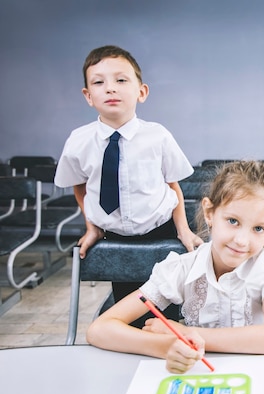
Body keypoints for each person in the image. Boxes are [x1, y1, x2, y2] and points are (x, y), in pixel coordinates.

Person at [86, 160, 264, 373]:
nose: (241, 240)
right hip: (200, 376)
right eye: (232, 221)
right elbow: (99, 330)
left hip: (260, 377)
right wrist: (166, 346)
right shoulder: (180, 268)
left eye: (258, 228)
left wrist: (186, 332)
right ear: (209, 212)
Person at [54, 45, 202, 309]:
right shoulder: (79, 141)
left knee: (170, 298)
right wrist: (92, 227)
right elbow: (80, 187)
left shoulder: (158, 136)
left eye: (121, 80)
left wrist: (184, 231)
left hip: (162, 230)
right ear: (88, 96)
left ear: (141, 92)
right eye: (99, 82)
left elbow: (173, 187)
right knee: (130, 307)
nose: (110, 88)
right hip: (115, 236)